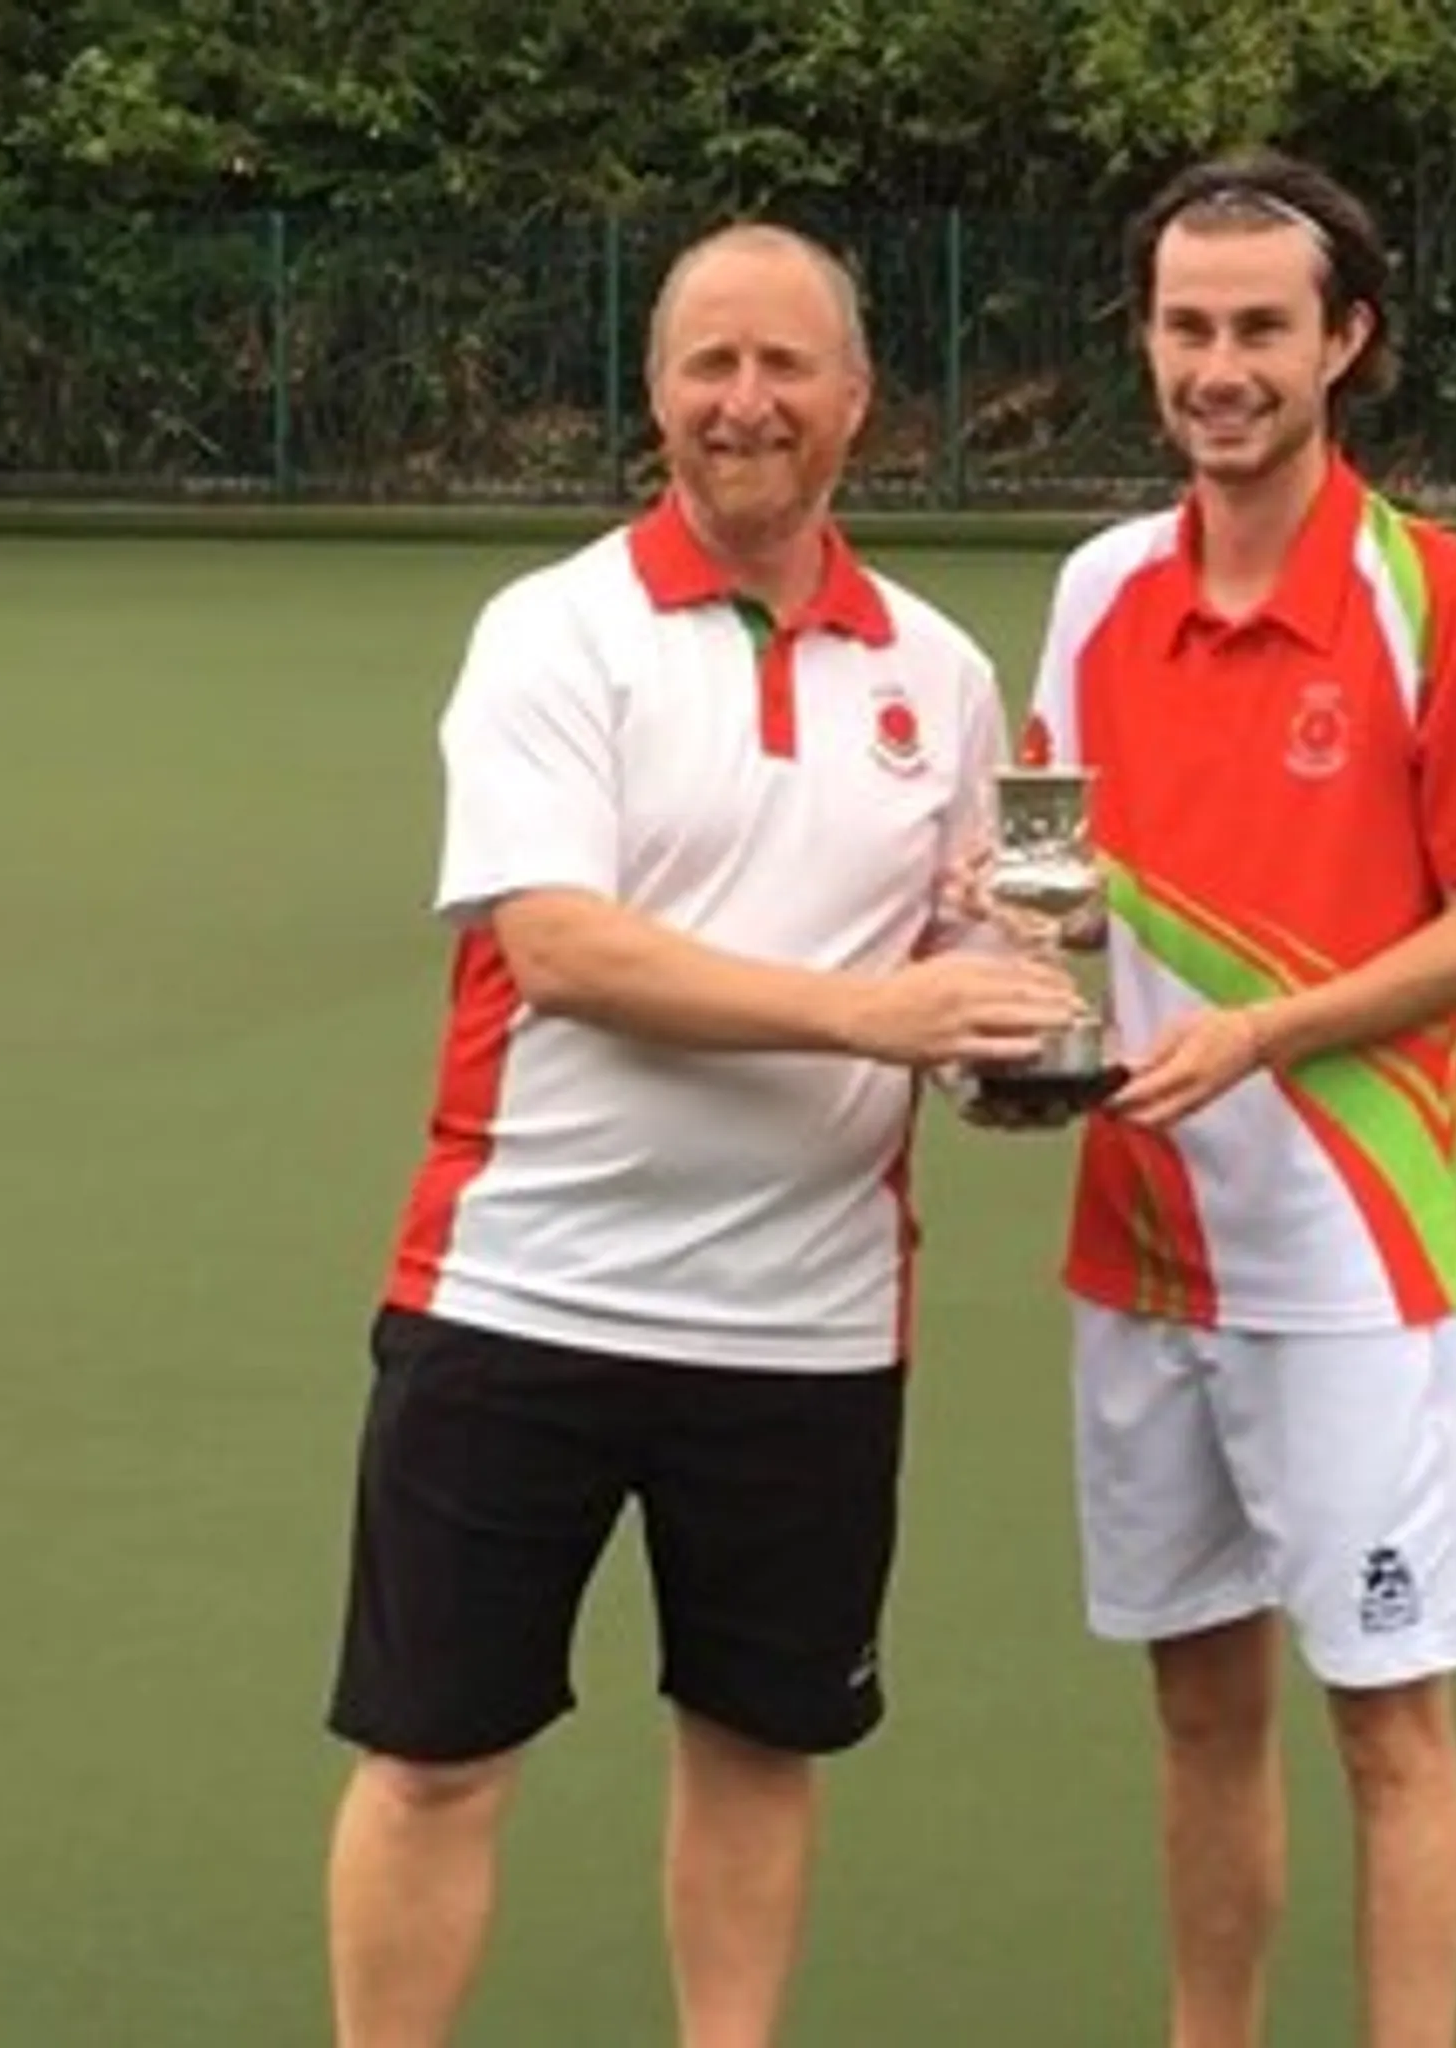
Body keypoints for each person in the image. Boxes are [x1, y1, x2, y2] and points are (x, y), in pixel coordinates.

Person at [321, 222, 1079, 2048]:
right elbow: (561, 951)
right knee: (434, 1759)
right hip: (523, 1294)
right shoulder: (553, 631)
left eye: (785, 365)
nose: (747, 403)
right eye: (709, 366)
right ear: (656, 393)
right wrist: (872, 1018)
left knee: (758, 1747)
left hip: (806, 1326)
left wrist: (1007, 1025)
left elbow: (955, 962)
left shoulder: (941, 673)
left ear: (858, 401)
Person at [1020, 151, 1456, 2048]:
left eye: (1262, 326)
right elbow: (1052, 878)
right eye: (1187, 326)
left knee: (1389, 1723)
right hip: (1137, 1248)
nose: (1219, 367)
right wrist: (1013, 1001)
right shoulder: (1097, 588)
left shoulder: (1445, 600)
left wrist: (1264, 1034)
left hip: (1349, 1256)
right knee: (1195, 1707)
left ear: (1346, 342)